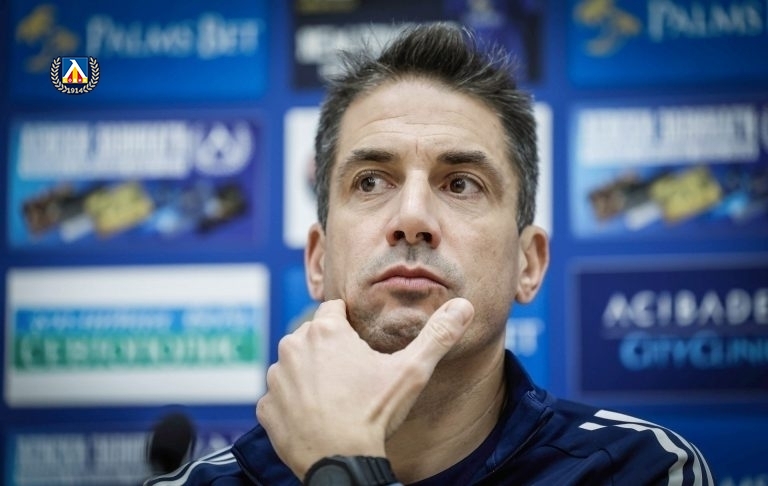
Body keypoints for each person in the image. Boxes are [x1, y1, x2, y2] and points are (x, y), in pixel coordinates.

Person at [145, 22, 714, 485]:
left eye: (461, 183)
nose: (412, 218)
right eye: (371, 181)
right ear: (318, 259)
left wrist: (342, 471)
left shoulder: (638, 469)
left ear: (529, 264)